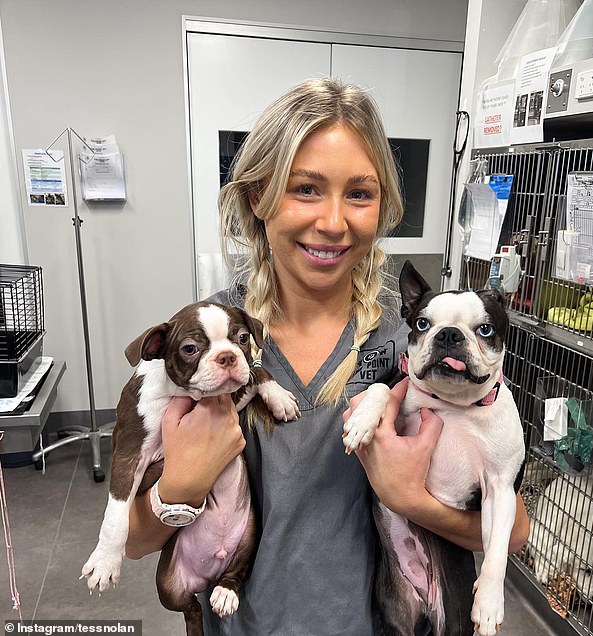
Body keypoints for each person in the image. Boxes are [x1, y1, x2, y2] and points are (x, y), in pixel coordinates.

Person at [126, 78, 529, 635]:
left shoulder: (404, 345)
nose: (334, 222)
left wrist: (408, 496)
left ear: (382, 207)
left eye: (359, 194)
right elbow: (134, 541)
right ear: (256, 197)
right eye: (306, 189)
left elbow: (511, 531)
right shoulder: (210, 344)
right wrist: (180, 488)